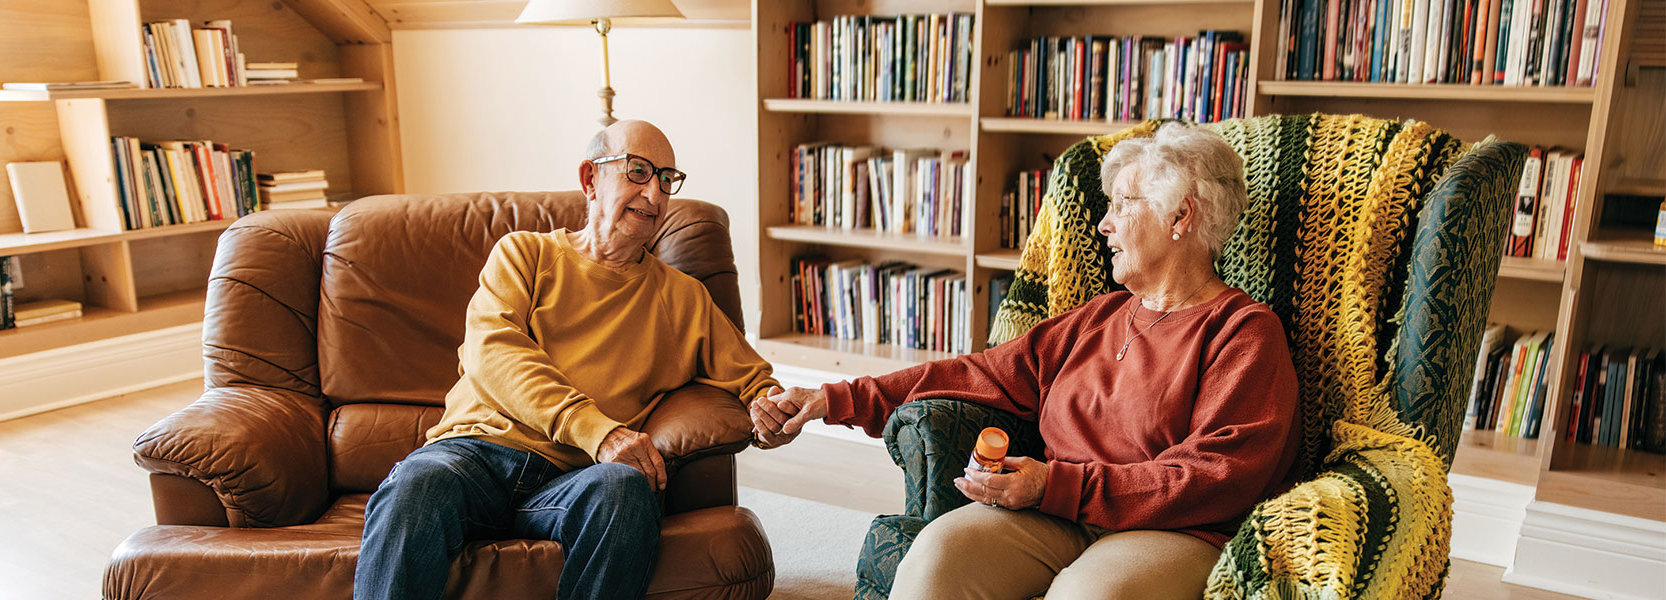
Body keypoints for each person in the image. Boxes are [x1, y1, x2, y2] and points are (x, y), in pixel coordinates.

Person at [751, 122, 1302, 599]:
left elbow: (1215, 477)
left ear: (1181, 215)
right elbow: (977, 373)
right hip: (1061, 514)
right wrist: (830, 399)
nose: (1104, 225)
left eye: (1123, 205)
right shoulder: (1099, 318)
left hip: (1174, 532)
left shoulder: (1244, 333)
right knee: (938, 552)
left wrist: (1054, 486)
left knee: (1087, 592)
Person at [354, 120, 780, 600]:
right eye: (638, 171)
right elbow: (492, 352)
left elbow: (753, 379)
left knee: (625, 490)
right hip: (473, 456)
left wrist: (771, 407)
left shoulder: (683, 298)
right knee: (415, 484)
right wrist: (598, 431)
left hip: (576, 477)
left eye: (666, 179)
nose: (656, 194)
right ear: (590, 179)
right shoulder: (524, 255)